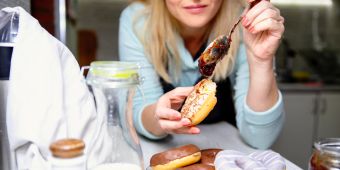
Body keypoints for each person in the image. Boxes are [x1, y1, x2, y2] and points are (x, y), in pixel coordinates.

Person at [119, 0, 285, 149]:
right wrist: (158, 117)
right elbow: (141, 108)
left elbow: (260, 139)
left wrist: (261, 61)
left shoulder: (248, 21)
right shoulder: (137, 20)